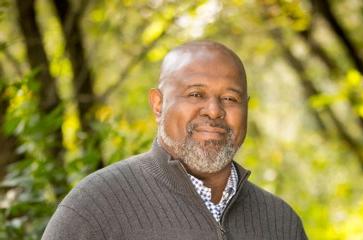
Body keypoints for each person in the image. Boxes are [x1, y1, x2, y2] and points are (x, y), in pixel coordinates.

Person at [42, 41, 307, 240]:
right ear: (158, 104)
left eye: (230, 98)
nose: (214, 110)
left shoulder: (281, 222)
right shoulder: (97, 205)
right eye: (195, 94)